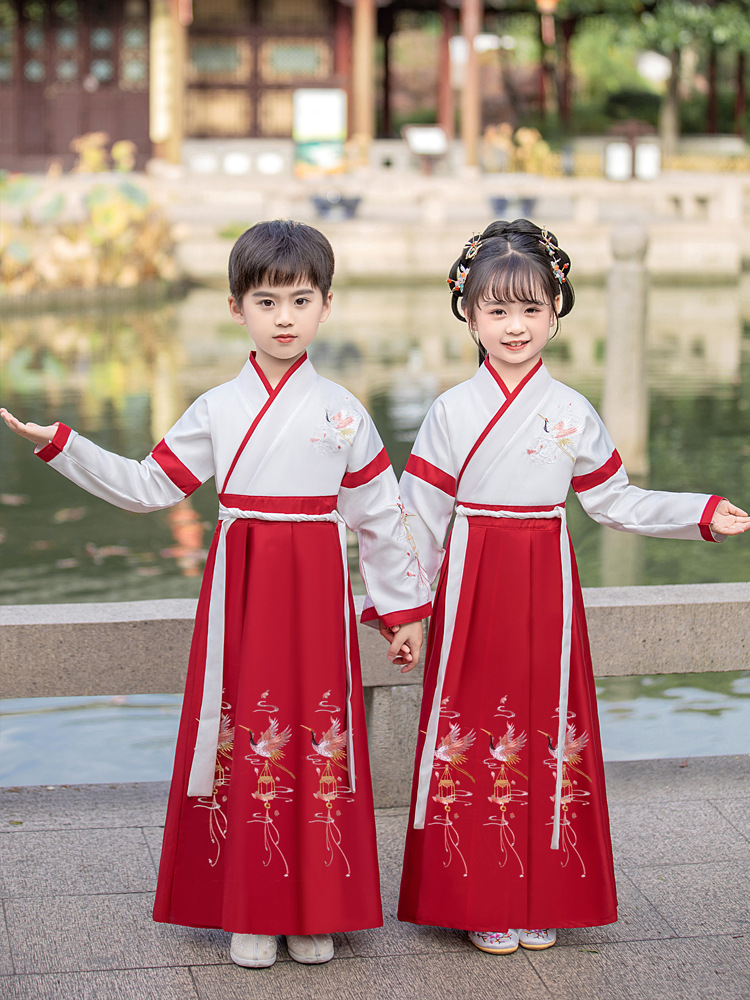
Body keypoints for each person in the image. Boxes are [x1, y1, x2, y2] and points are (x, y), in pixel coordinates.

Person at [1, 220, 431, 969]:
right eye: (267, 302)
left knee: (315, 732)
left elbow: (381, 521)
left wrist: (401, 613)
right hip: (243, 585)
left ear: (328, 305)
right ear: (236, 309)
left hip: (317, 587)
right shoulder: (215, 408)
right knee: (241, 730)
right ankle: (252, 910)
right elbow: (146, 487)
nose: (286, 318)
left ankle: (314, 908)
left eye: (301, 300)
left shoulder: (344, 412)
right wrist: (63, 444)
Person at [395, 219, 750, 956]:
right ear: (468, 313)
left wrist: (701, 514)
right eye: (497, 309)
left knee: (545, 723)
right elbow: (418, 519)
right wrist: (405, 609)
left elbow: (616, 501)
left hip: (545, 582)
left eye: (531, 308)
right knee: (478, 724)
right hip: (473, 585)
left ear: (557, 311)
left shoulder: (571, 411)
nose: (515, 325)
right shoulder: (451, 411)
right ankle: (478, 893)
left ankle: (541, 891)